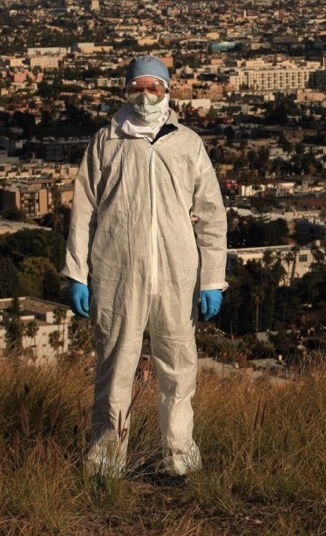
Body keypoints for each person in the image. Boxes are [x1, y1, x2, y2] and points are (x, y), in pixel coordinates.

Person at [62, 55, 228, 481]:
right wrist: (77, 273)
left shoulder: (187, 143)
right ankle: (106, 465)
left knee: (178, 370)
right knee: (115, 370)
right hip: (117, 273)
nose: (146, 95)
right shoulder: (106, 141)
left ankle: (180, 460)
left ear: (168, 91)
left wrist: (212, 279)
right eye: (138, 87)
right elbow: (83, 212)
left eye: (154, 87)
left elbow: (211, 214)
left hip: (177, 274)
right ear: (125, 91)